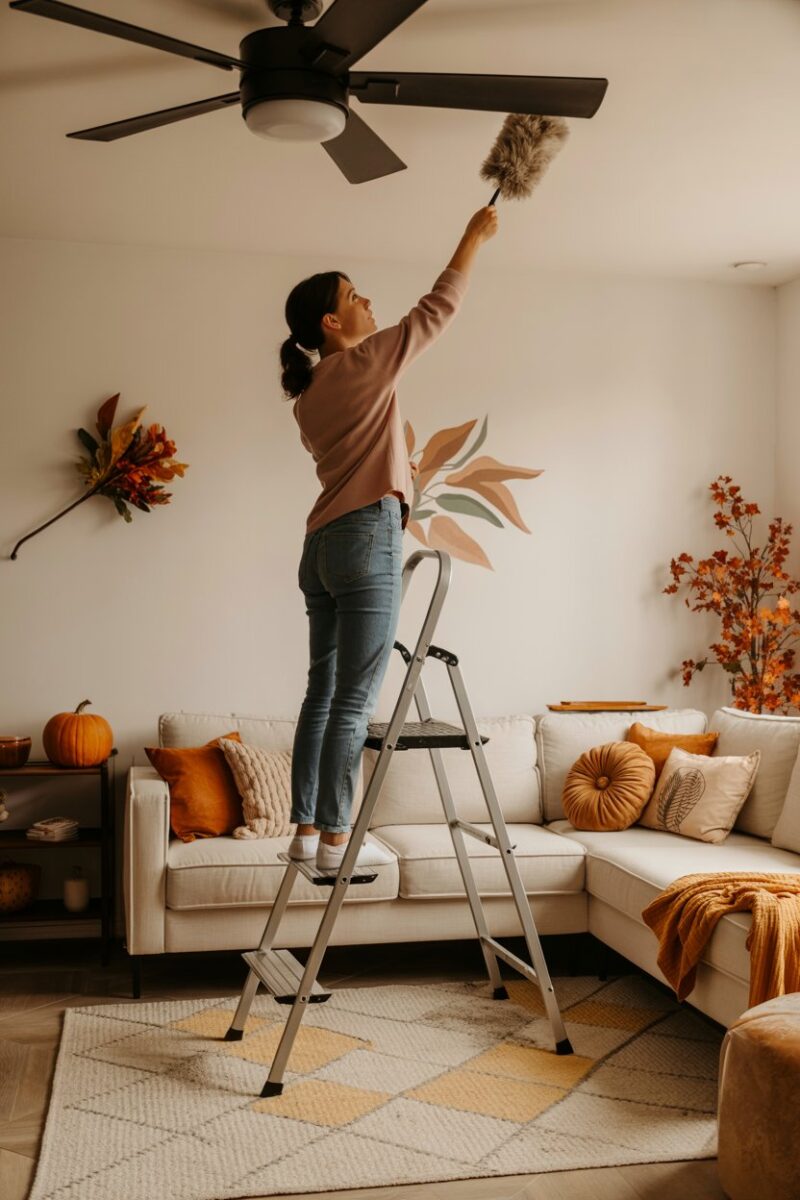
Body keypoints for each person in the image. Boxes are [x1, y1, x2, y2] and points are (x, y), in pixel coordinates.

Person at [279, 204, 499, 873]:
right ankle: (337, 838)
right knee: (354, 699)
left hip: (319, 548)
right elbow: (439, 307)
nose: (368, 302)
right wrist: (472, 236)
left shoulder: (308, 395)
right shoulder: (367, 361)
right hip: (365, 536)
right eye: (353, 296)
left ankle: (305, 829)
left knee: (322, 691)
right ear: (331, 322)